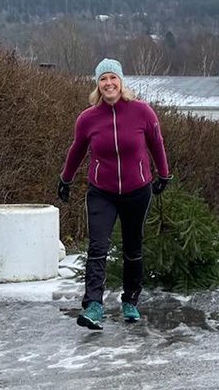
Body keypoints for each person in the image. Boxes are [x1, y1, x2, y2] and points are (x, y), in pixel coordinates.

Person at [57, 58, 172, 330]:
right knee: (97, 247)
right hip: (101, 192)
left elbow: (156, 143)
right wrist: (65, 179)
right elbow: (76, 150)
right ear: (97, 84)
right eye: (103, 79)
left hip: (137, 190)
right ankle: (93, 306)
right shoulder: (88, 118)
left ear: (121, 82)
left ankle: (130, 300)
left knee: (133, 248)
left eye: (113, 78)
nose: (108, 83)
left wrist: (164, 174)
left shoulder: (142, 111)